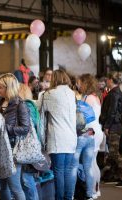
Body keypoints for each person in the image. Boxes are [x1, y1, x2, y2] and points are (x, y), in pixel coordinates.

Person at [39, 69, 77, 200]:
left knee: (58, 172)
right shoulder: (72, 93)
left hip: (57, 139)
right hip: (71, 138)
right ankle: (68, 197)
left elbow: (41, 116)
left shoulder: (49, 94)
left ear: (54, 79)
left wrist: (41, 141)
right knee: (67, 171)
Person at [0, 73, 30, 200]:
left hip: (13, 148)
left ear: (8, 88)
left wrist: (5, 128)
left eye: (0, 87)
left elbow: (25, 129)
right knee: (3, 186)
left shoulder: (20, 104)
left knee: (15, 186)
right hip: (0, 148)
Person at [70, 74, 104, 200]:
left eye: (79, 83)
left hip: (88, 131)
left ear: (85, 83)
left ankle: (92, 191)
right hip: (95, 130)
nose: (78, 85)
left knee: (88, 164)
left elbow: (81, 116)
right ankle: (95, 190)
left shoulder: (88, 98)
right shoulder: (95, 96)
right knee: (92, 163)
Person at [99, 71, 122, 187]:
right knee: (114, 152)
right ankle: (114, 175)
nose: (106, 81)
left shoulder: (114, 94)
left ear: (111, 80)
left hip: (114, 126)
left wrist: (107, 126)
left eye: (107, 79)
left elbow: (112, 112)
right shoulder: (118, 92)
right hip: (117, 126)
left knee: (114, 152)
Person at [18, 84, 40, 200]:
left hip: (27, 147)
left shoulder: (25, 106)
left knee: (27, 180)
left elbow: (26, 128)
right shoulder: (32, 105)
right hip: (32, 147)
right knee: (28, 180)